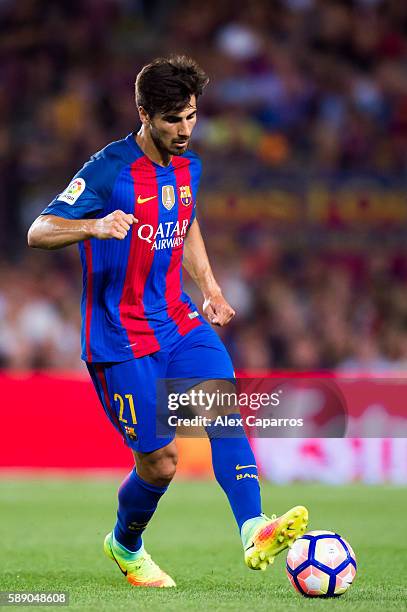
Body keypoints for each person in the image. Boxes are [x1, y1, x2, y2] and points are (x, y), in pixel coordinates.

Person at [28, 55, 308, 588]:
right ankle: (125, 543)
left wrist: (210, 287)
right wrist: (93, 227)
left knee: (223, 407)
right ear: (143, 113)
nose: (184, 130)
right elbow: (38, 231)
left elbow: (186, 216)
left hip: (176, 320)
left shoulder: (188, 167)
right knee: (160, 463)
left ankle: (253, 526)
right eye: (172, 119)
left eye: (192, 116)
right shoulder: (107, 169)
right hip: (118, 337)